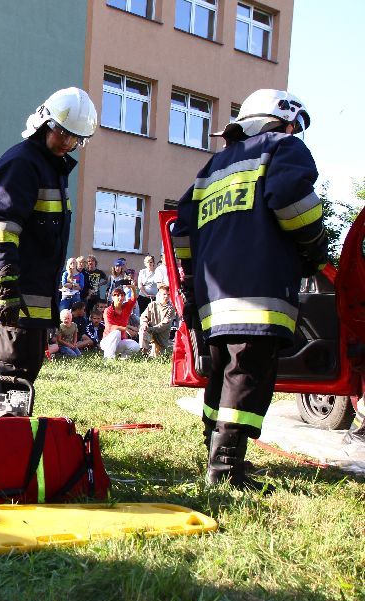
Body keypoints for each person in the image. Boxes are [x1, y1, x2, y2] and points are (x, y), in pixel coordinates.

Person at [171, 89, 327, 491]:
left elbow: (182, 229)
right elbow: (293, 202)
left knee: (221, 373)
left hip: (213, 296)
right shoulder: (283, 147)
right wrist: (314, 250)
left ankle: (214, 451)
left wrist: (191, 282)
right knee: (247, 375)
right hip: (261, 290)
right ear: (288, 122)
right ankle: (225, 471)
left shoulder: (213, 167)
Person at [0, 87, 97, 416]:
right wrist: (6, 284)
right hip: (17, 288)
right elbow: (1, 227)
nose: (67, 143)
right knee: (15, 368)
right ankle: (5, 432)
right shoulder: (21, 163)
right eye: (62, 133)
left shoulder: (49, 167)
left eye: (75, 138)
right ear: (44, 123)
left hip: (33, 289)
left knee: (25, 366)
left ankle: (7, 428)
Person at [102, 285, 141, 359]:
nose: (120, 297)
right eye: (117, 295)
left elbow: (134, 299)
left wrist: (132, 287)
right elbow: (111, 327)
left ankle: (123, 358)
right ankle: (108, 359)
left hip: (121, 341)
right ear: (113, 297)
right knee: (116, 332)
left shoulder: (126, 307)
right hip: (107, 342)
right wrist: (126, 329)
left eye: (122, 295)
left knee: (135, 346)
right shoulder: (108, 310)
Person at [139, 285, 176, 357]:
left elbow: (164, 325)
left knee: (156, 356)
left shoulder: (171, 309)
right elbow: (144, 316)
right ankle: (143, 353)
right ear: (159, 294)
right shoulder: (152, 305)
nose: (166, 296)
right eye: (164, 294)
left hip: (161, 337)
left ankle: (153, 350)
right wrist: (144, 323)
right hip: (151, 332)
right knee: (142, 330)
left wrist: (150, 329)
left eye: (168, 294)